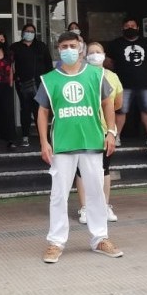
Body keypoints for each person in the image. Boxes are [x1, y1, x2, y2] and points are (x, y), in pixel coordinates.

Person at [37, 32, 122, 264]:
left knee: (96, 193)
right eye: (64, 46)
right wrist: (44, 141)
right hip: (62, 145)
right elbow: (43, 112)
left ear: (81, 48)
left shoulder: (96, 74)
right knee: (58, 195)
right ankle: (55, 242)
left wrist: (111, 133)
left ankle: (100, 238)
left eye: (72, 46)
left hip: (93, 141)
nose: (68, 50)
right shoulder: (50, 78)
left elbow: (108, 104)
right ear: (58, 49)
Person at [75, 42, 123, 224]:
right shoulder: (80, 76)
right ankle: (85, 208)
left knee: (104, 168)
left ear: (104, 55)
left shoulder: (112, 77)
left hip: (105, 129)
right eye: (91, 52)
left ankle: (104, 205)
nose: (95, 55)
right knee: (81, 170)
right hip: (84, 129)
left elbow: (117, 103)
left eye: (98, 52)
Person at [105, 17, 147, 147]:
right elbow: (108, 62)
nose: (130, 28)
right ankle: (116, 137)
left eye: (133, 25)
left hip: (145, 84)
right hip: (122, 85)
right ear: (122, 28)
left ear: (138, 28)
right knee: (120, 111)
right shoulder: (115, 44)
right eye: (127, 26)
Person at [10, 23, 53, 147]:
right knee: (25, 109)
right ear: (23, 33)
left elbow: (48, 65)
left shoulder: (41, 46)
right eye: (27, 31)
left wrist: (49, 82)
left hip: (40, 84)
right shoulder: (15, 47)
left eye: (32, 31)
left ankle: (42, 136)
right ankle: (25, 136)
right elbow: (10, 65)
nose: (29, 33)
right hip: (22, 84)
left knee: (39, 110)